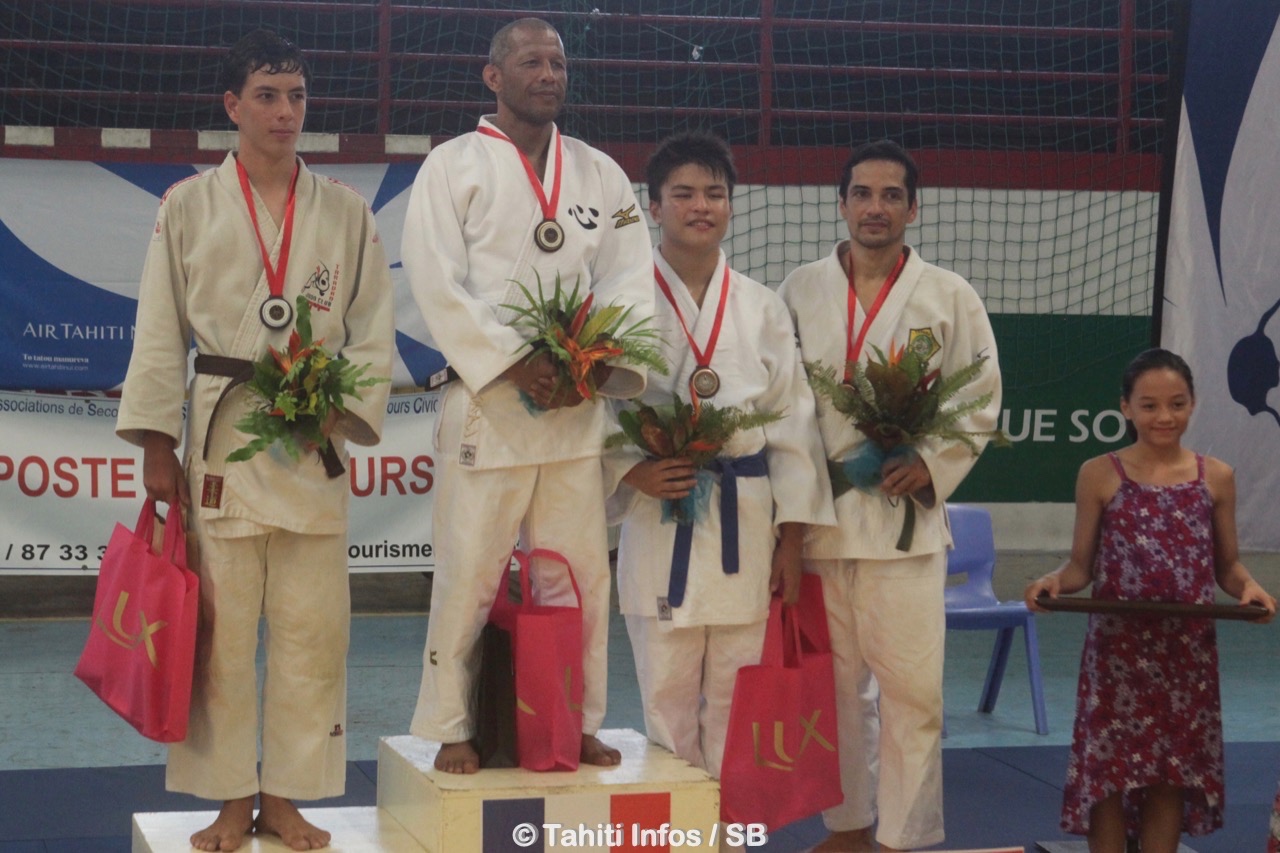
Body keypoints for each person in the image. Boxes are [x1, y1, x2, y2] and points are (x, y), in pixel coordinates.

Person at [116, 30, 394, 852]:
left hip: (311, 441)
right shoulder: (189, 205)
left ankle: (289, 795)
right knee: (223, 636)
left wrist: (336, 412)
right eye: (268, 96)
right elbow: (160, 329)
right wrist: (156, 444)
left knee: (314, 633)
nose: (285, 112)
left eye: (297, 96)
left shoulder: (345, 211)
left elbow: (374, 331)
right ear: (232, 106)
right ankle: (230, 797)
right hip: (222, 436)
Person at [400, 17, 653, 775]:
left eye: (559, 63)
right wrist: (514, 362)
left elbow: (629, 277)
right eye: (533, 61)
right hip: (489, 406)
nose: (549, 74)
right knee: (469, 571)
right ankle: (449, 725)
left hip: (575, 409)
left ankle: (575, 722)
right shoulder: (452, 166)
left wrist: (599, 360)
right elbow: (434, 278)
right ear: (493, 76)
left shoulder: (601, 173)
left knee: (576, 574)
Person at [602, 132, 834, 822]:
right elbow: (594, 408)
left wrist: (792, 539)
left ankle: (729, 834)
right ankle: (675, 835)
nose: (700, 206)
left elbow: (794, 426)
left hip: (747, 525)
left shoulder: (762, 306)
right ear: (653, 206)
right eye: (684, 194)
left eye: (714, 194)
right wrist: (630, 469)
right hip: (661, 518)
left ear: (731, 205)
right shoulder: (621, 299)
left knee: (738, 703)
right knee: (665, 704)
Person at [777, 139, 1002, 852]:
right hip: (822, 520)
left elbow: (981, 397)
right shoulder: (798, 289)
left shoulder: (948, 295)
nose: (876, 207)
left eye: (891, 195)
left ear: (914, 206)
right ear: (841, 203)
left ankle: (904, 836)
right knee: (837, 692)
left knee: (913, 694)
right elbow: (781, 406)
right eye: (863, 194)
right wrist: (784, 519)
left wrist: (932, 463)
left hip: (904, 525)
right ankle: (847, 825)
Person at [1025, 348, 1276, 853]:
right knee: (1110, 778)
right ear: (1126, 407)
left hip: (1185, 654)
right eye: (1150, 405)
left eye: (1177, 404)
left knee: (1169, 775)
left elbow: (1228, 567)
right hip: (1117, 653)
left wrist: (1249, 587)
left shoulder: (1217, 477)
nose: (1165, 417)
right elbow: (1080, 567)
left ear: (1193, 405)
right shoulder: (1099, 473)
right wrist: (1052, 581)